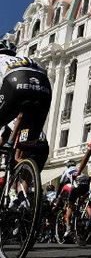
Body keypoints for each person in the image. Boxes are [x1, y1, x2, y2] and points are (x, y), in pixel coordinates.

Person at [0, 39, 52, 170]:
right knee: (28, 138)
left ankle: (12, 154)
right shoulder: (25, 58)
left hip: (16, 83)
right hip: (44, 87)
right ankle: (21, 175)